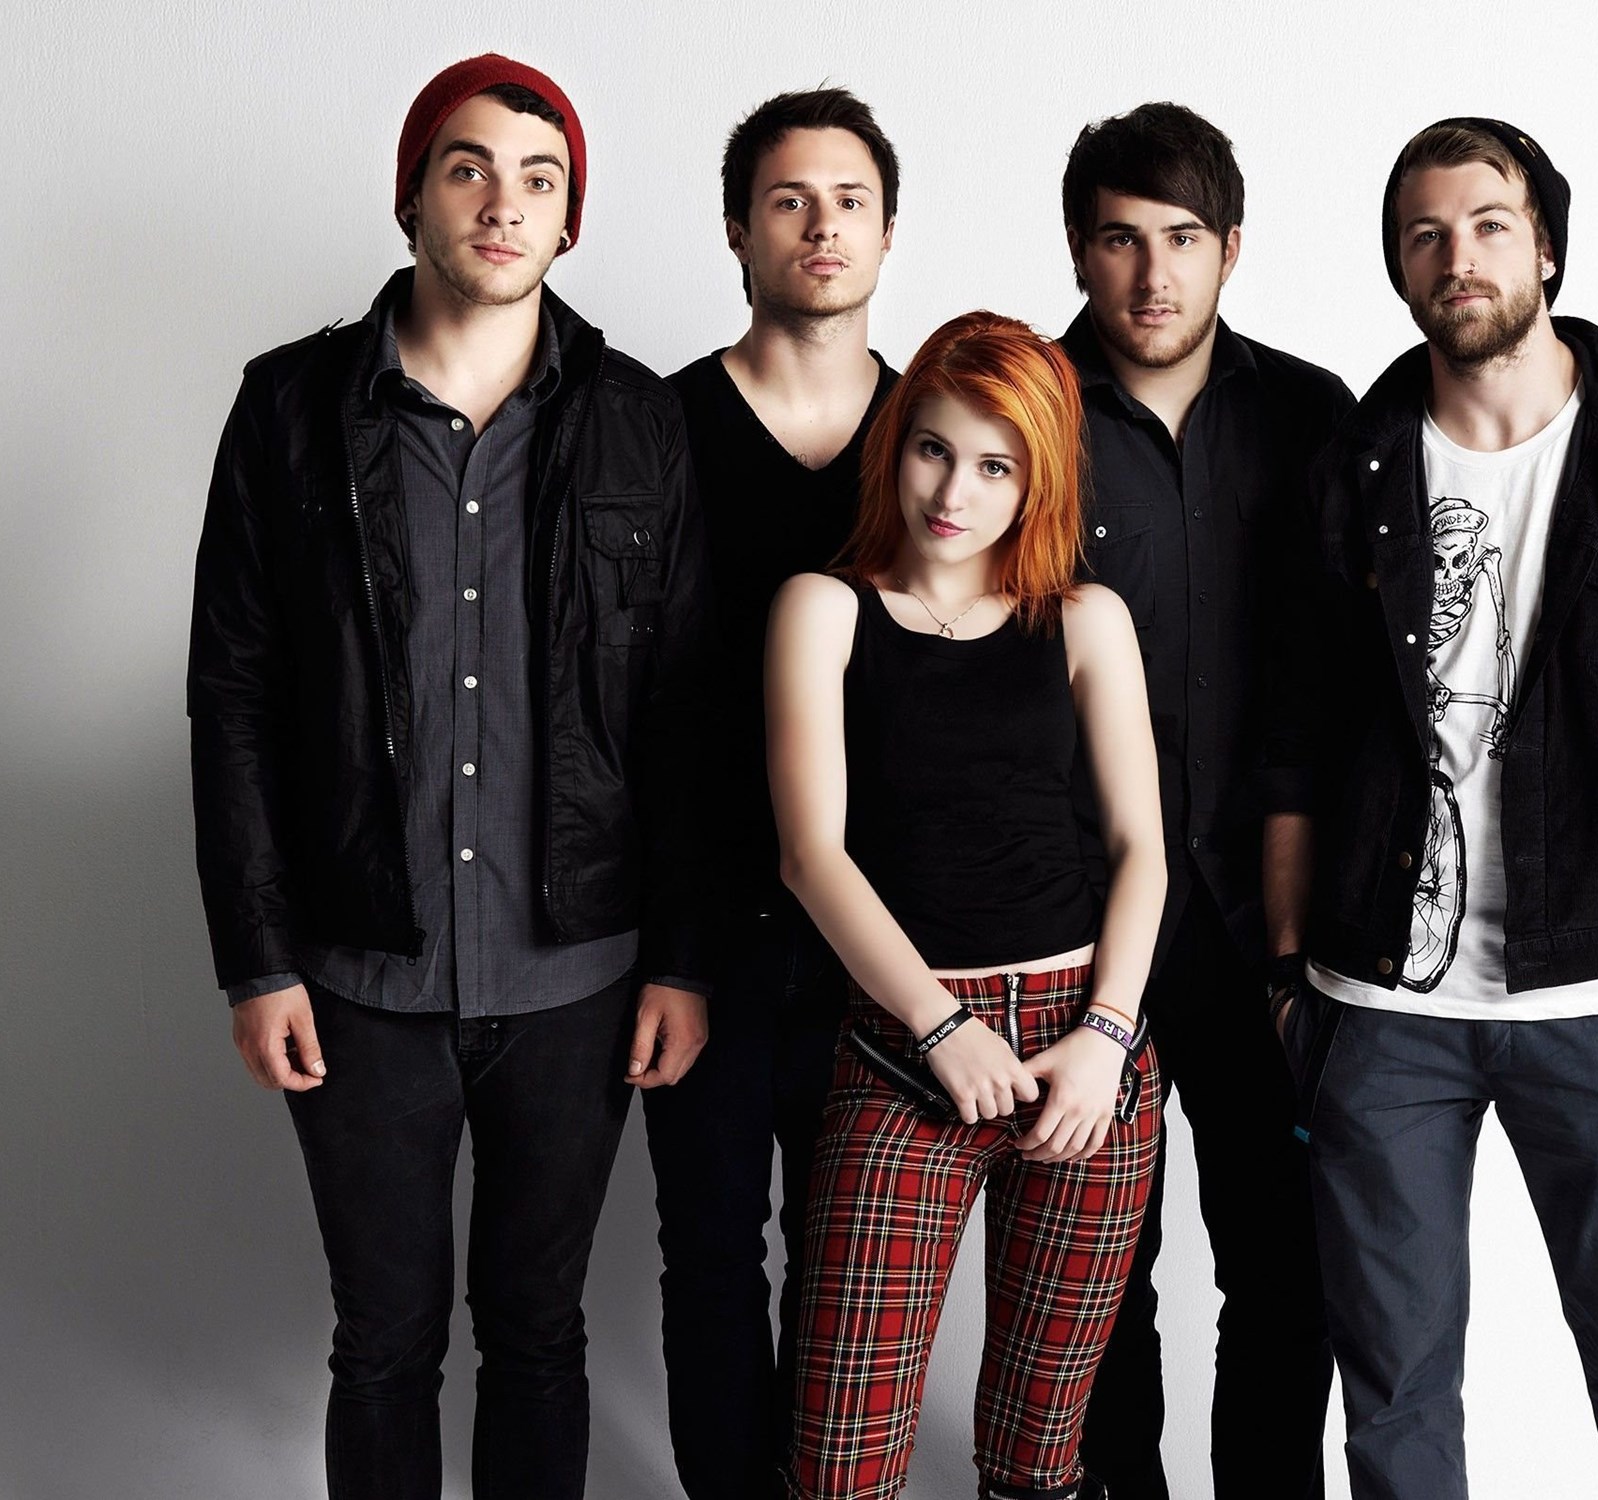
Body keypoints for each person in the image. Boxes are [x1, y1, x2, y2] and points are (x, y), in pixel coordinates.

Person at [186, 54, 711, 1500]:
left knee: (539, 1336)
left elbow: (682, 716)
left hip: (578, 975)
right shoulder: (288, 406)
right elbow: (232, 699)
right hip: (360, 974)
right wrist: (258, 961)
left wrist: (682, 959)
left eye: (540, 179)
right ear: (411, 193)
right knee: (384, 1344)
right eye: (468, 167)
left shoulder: (638, 419)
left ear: (569, 220)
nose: (503, 202)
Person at [1265, 118, 1598, 1499]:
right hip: (1380, 1008)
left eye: (1489, 224)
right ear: (1399, 266)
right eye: (1426, 234)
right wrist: (1287, 977)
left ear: (1545, 246)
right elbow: (1292, 743)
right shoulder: (1349, 469)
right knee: (1393, 1402)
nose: (1460, 257)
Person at [768, 311, 1165, 1500]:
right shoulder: (823, 608)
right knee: (839, 1466)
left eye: (997, 466)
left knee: (1038, 1464)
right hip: (903, 1049)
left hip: (1082, 1050)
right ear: (895, 444)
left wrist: (1106, 1037)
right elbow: (810, 856)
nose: (955, 492)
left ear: (1037, 479)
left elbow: (1140, 850)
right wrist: (940, 1027)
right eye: (934, 450)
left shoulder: (1084, 618)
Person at [1058, 101, 1351, 1500]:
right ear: (1078, 249)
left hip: (1267, 916)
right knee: (1099, 1286)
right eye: (1121, 240)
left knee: (1288, 1270)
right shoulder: (1018, 415)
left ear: (1231, 248)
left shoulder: (1315, 416)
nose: (1151, 275)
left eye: (1181, 238)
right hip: (1082, 919)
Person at [641, 87, 901, 1500]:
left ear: (887, 230)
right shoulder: (655, 427)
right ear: (738, 231)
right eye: (788, 201)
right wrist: (669, 952)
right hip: (709, 935)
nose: (820, 227)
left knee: (851, 1264)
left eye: (848, 200)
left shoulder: (940, 436)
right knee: (709, 1252)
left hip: (892, 938)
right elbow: (626, 712)